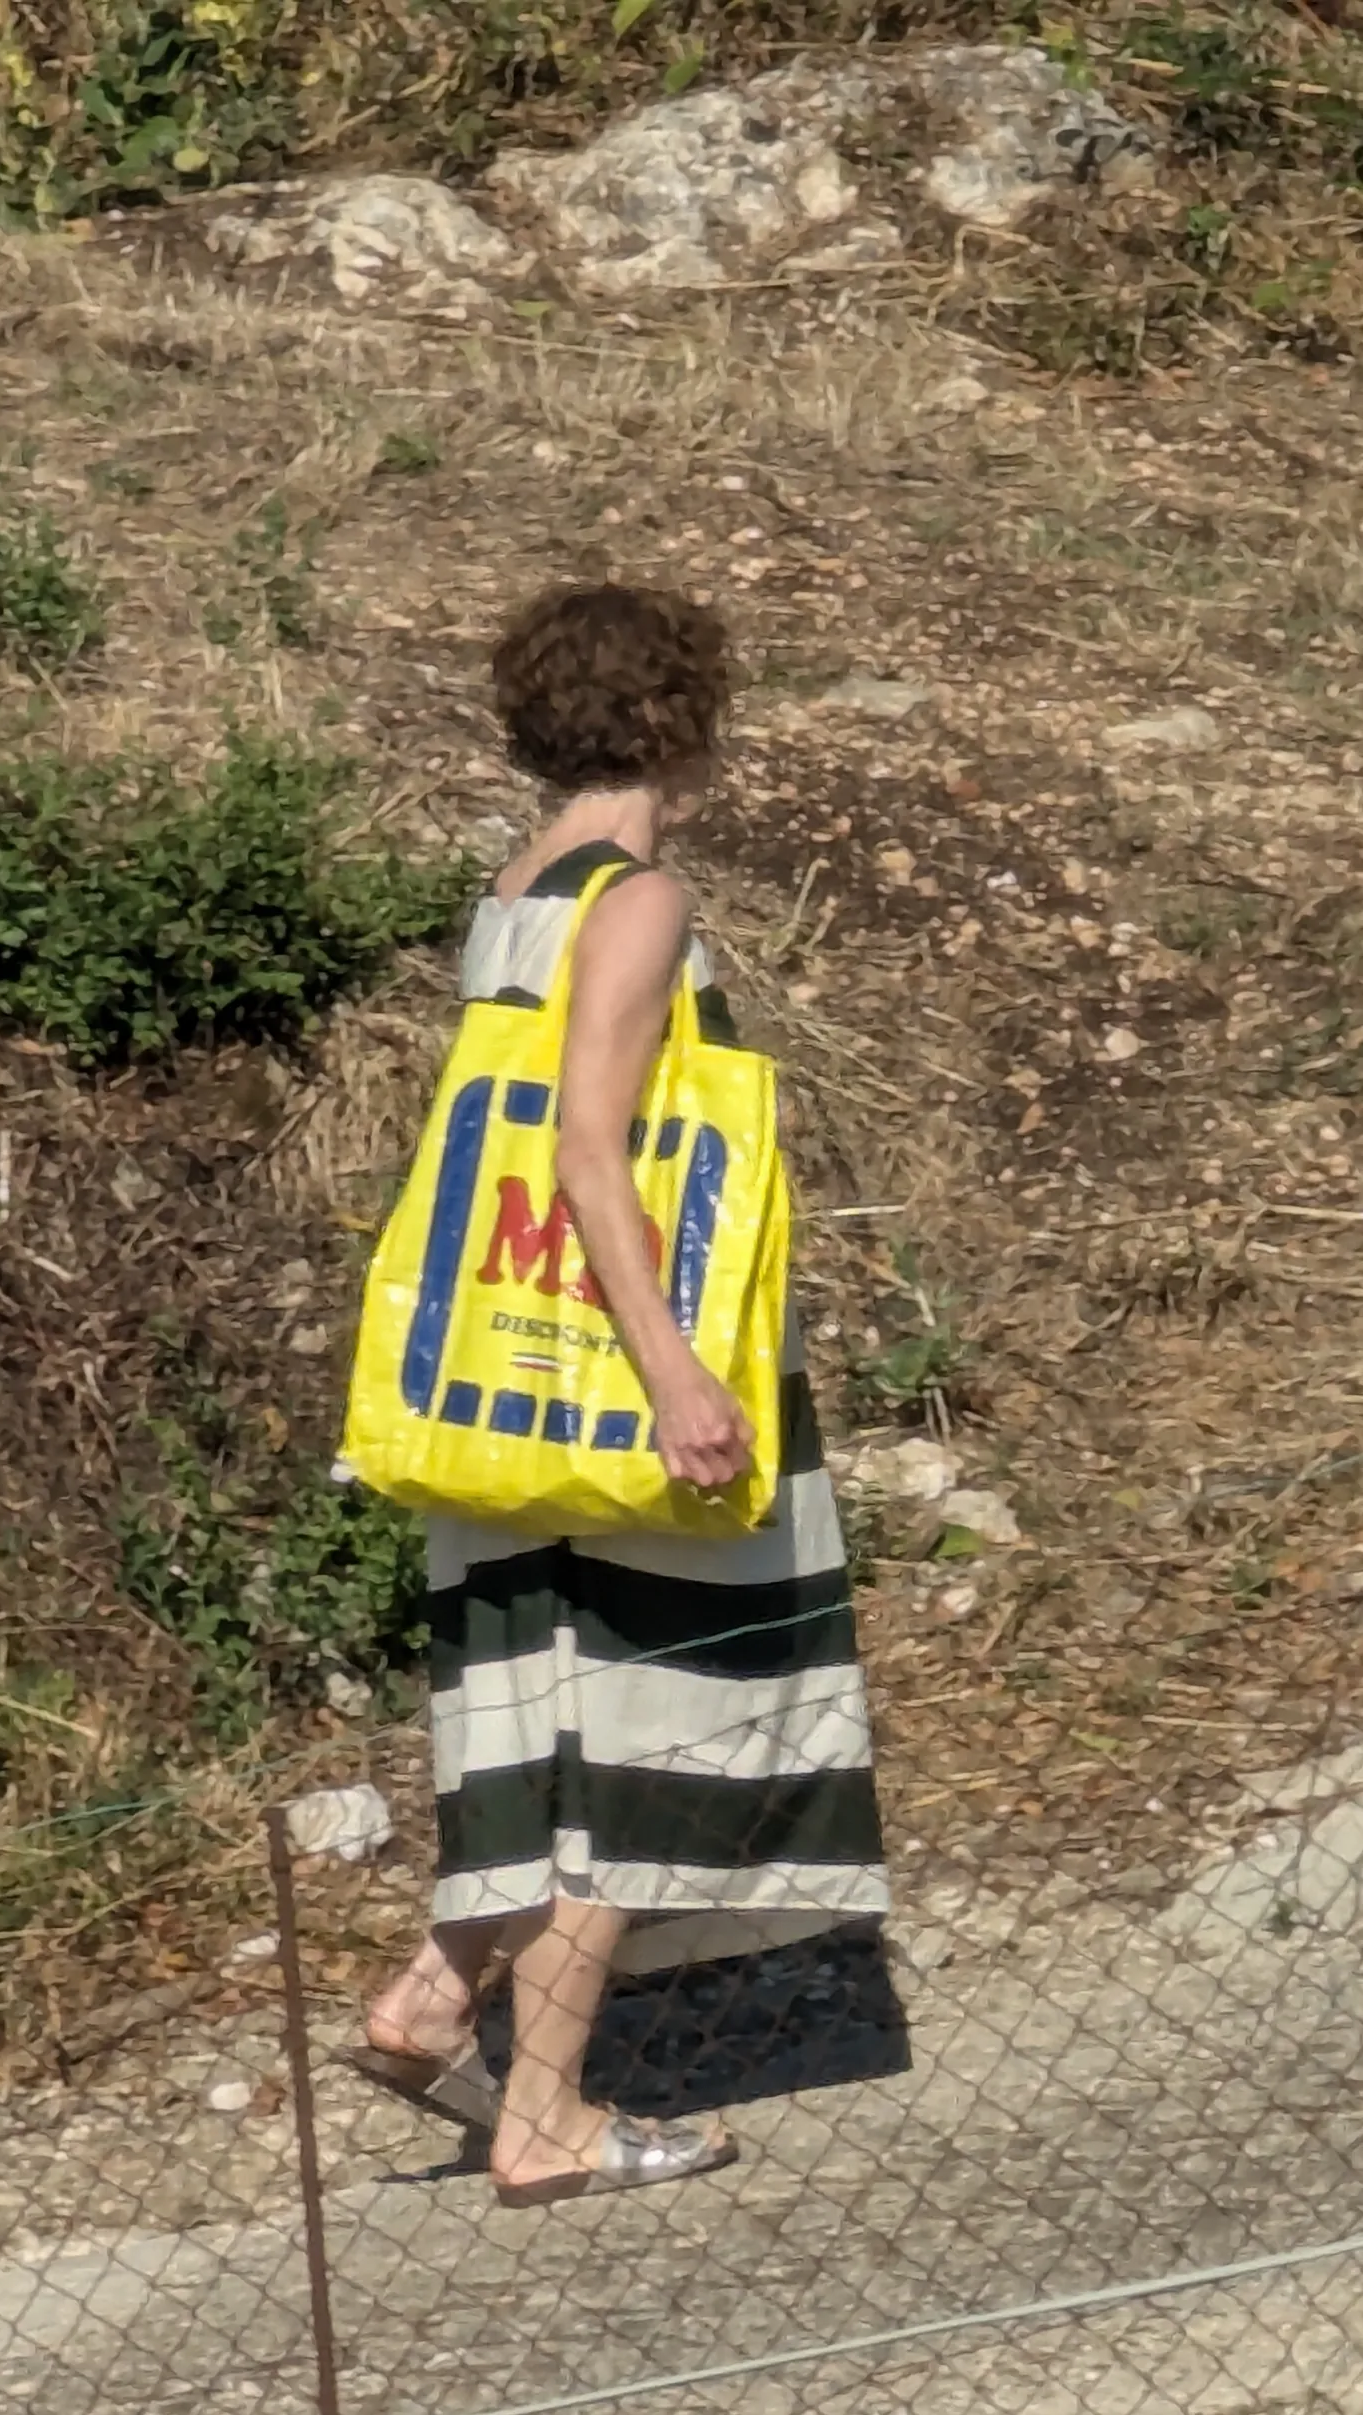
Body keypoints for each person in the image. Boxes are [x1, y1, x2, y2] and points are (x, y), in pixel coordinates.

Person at [351, 583, 888, 2208]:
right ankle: (549, 2113)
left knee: (552, 1701)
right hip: (619, 1375)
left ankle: (436, 1996)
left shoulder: (514, 892)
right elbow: (593, 1147)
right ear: (681, 719)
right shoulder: (637, 900)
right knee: (641, 1730)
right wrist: (679, 1375)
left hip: (510, 1380)